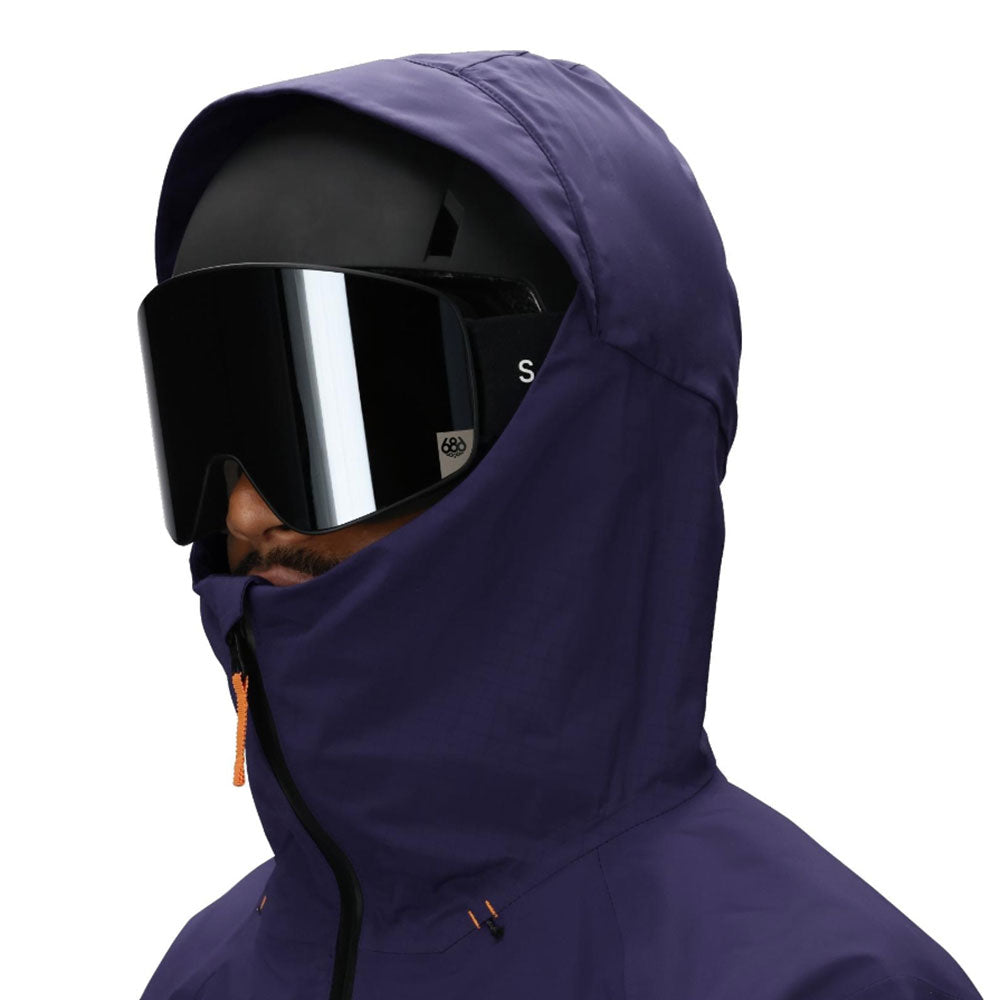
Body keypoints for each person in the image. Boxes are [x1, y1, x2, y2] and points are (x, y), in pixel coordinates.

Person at [135, 50, 984, 1000]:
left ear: (571, 445)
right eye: (223, 415)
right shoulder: (201, 977)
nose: (245, 511)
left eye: (350, 419)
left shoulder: (824, 985)